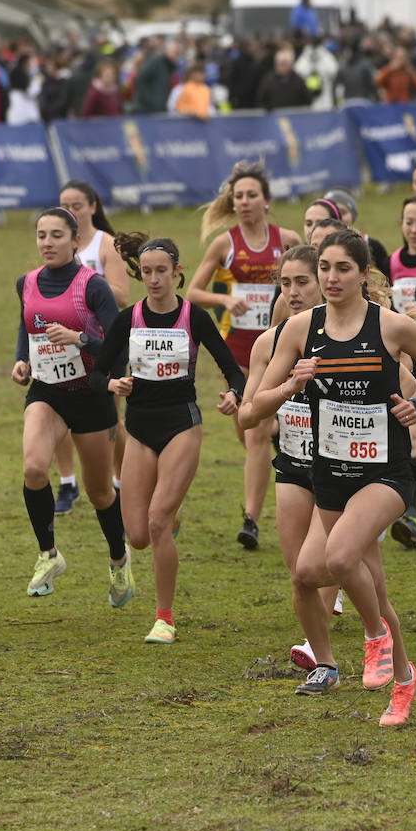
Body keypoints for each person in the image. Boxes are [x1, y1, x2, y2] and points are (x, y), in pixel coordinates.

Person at [252, 230, 416, 726]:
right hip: (330, 475)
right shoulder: (300, 329)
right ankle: (404, 681)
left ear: (364, 274)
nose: (331, 277)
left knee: (341, 558)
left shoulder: (393, 326)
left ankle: (375, 640)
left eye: (342, 268)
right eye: (325, 268)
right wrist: (291, 384)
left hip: (384, 473)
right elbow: (255, 407)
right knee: (308, 574)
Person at [102, 233, 246, 644]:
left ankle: (163, 618)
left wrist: (234, 393)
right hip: (139, 430)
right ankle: (171, 510)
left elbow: (231, 367)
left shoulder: (193, 317)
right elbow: (99, 371)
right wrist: (114, 383)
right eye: (146, 272)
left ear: (176, 272)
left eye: (161, 271)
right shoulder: (128, 318)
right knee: (138, 536)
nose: (153, 279)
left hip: (182, 425)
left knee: (157, 522)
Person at [11, 208, 127, 598]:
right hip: (46, 392)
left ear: (76, 241)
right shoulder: (26, 283)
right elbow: (26, 325)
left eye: (57, 235)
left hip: (92, 395)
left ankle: (118, 560)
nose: (47, 242)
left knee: (100, 494)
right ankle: (48, 554)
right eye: (42, 235)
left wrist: (80, 340)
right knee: (33, 467)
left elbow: (118, 346)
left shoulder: (93, 286)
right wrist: (21, 360)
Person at [187, 161, 302, 550]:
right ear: (232, 202)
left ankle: (250, 520)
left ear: (267, 201)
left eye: (252, 195)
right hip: (238, 351)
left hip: (281, 346)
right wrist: (224, 298)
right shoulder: (225, 243)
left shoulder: (286, 239)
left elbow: (309, 282)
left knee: (255, 434)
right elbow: (194, 293)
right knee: (248, 428)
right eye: (239, 196)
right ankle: (275, 440)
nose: (246, 201)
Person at [236, 245, 340, 666]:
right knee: (299, 571)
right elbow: (248, 414)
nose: (293, 291)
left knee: (319, 564)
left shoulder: (356, 336)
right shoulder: (270, 342)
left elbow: (406, 383)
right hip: (294, 465)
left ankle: (320, 651)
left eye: (302, 282)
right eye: (285, 283)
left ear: (324, 282)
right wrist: (289, 389)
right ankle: (366, 616)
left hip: (344, 468)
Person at [50, 181, 131, 515]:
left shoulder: (106, 244)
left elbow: (122, 295)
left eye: (78, 205)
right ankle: (68, 482)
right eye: (64, 205)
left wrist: (81, 284)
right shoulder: (58, 241)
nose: (71, 211)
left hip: (100, 344)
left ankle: (121, 480)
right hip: (60, 345)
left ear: (93, 206)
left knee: (110, 419)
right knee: (57, 412)